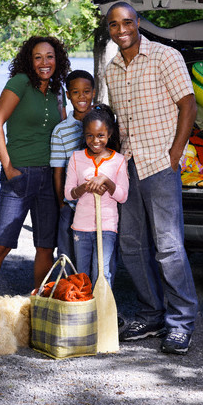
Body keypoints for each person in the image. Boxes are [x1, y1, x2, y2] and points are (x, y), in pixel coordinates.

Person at [104, 1, 199, 355]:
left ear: (138, 23)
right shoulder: (111, 69)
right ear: (109, 30)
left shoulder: (165, 57)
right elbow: (119, 123)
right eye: (114, 24)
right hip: (128, 167)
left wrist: (175, 154)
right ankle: (152, 313)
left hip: (160, 164)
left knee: (169, 247)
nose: (121, 29)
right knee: (131, 245)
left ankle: (181, 322)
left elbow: (188, 105)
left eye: (127, 22)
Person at [0, 36, 71, 296]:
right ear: (29, 60)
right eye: (38, 57)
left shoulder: (57, 90)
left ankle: (40, 305)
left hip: (50, 177)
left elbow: (64, 130)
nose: (44, 62)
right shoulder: (20, 83)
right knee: (1, 245)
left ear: (57, 59)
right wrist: (8, 168)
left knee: (44, 247)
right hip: (19, 176)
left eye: (49, 56)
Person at [64, 104, 128, 287]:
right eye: (89, 135)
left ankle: (103, 314)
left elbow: (122, 196)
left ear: (109, 134)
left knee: (102, 273)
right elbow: (69, 194)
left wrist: (106, 180)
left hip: (106, 227)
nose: (95, 141)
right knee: (82, 277)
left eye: (100, 135)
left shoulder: (118, 160)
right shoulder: (76, 158)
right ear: (84, 135)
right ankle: (85, 314)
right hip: (81, 228)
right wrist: (86, 187)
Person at [50, 70, 96, 263]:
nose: (81, 96)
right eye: (75, 92)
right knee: (67, 254)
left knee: (95, 254)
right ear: (68, 95)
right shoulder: (61, 131)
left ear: (93, 92)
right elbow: (58, 171)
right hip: (71, 204)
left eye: (86, 91)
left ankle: (95, 290)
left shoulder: (103, 124)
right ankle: (68, 290)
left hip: (98, 204)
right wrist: (62, 204)